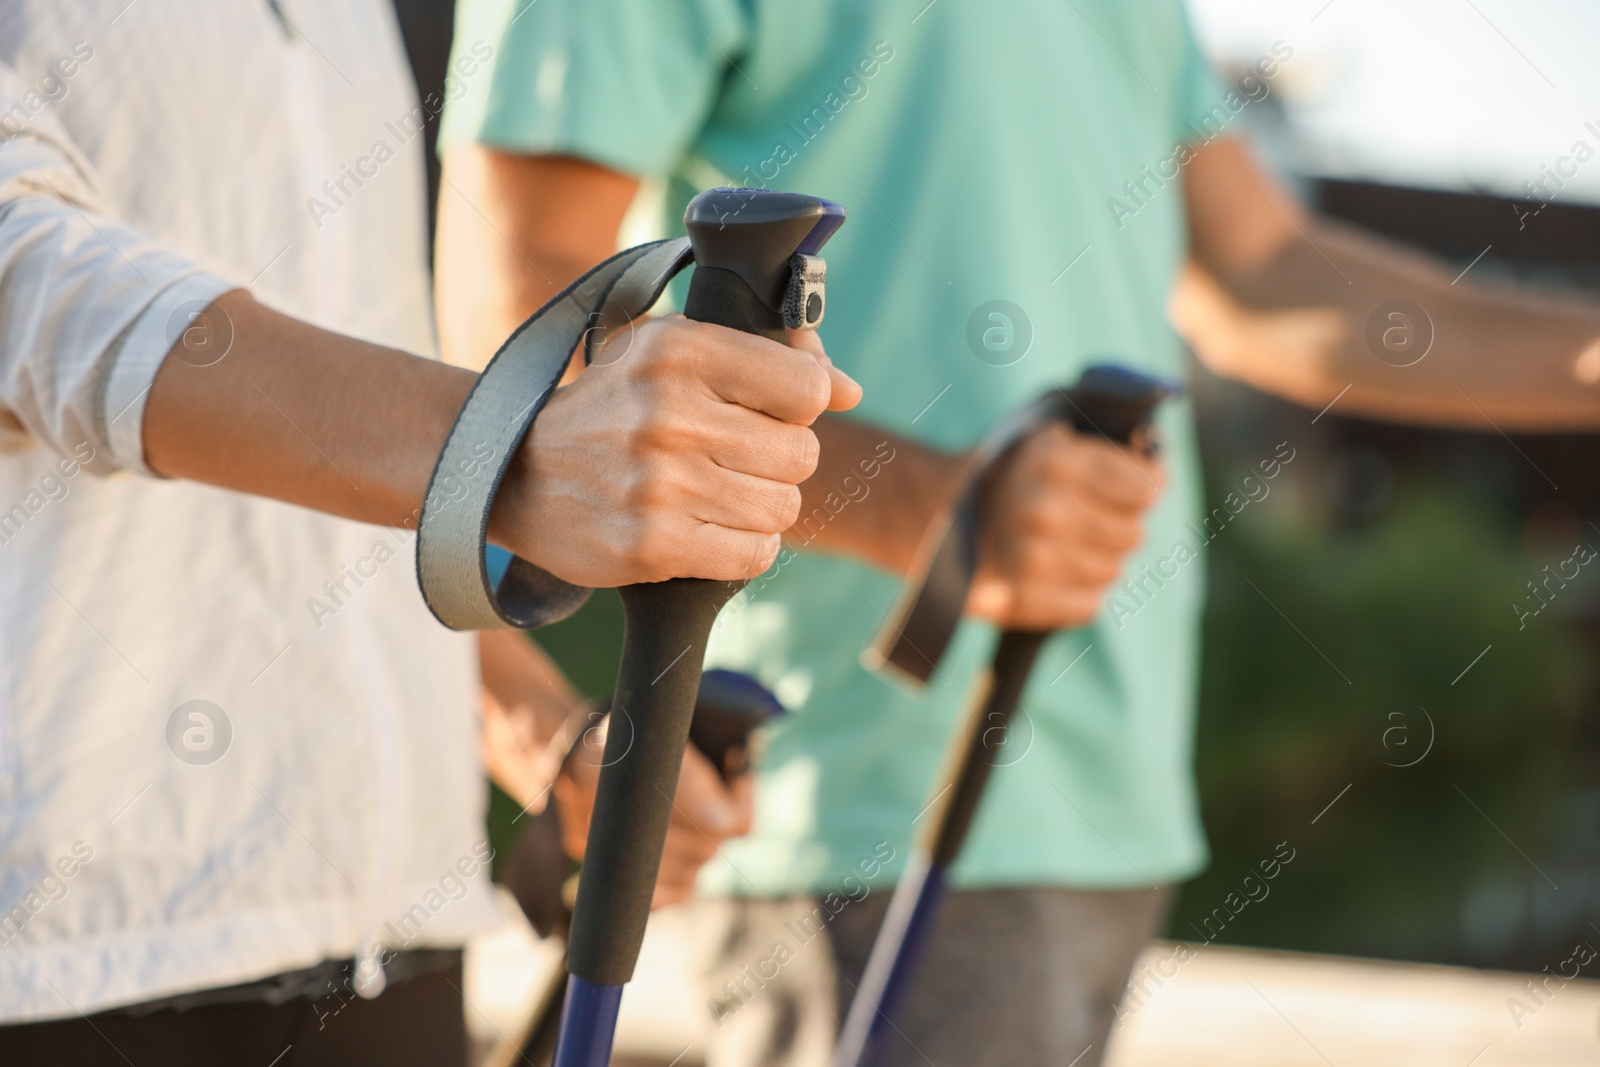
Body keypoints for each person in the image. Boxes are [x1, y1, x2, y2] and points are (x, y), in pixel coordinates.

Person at [436, 1, 1600, 1064]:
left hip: (1110, 792)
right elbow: (525, 329)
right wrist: (939, 513)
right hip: (864, 789)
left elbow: (1261, 270)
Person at [0, 2, 857, 1063]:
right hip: (65, 954)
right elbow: (21, 278)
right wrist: (504, 448)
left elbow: (343, 452)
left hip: (394, 933)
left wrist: (543, 735)